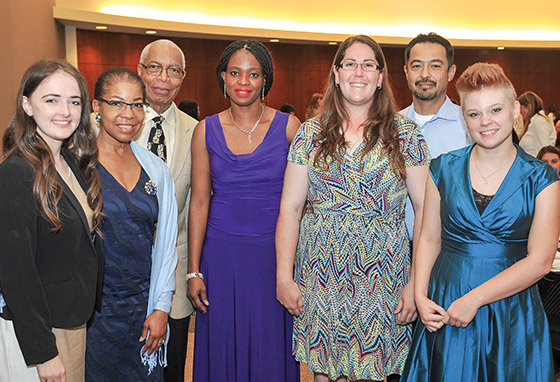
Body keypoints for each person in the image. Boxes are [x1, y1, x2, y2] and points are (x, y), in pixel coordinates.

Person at [276, 35, 431, 381]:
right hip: (321, 273)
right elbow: (290, 208)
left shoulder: (407, 135)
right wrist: (284, 276)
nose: (358, 72)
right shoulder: (309, 134)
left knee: (370, 372)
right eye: (350, 64)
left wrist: (416, 283)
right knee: (324, 374)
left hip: (383, 277)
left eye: (368, 65)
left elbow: (424, 210)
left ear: (380, 77)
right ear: (336, 73)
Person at [402, 63, 559, 381]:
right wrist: (420, 295)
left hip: (512, 309)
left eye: (496, 110)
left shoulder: (543, 177)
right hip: (446, 301)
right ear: (464, 118)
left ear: (515, 110)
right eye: (474, 114)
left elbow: (541, 261)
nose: (485, 122)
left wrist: (473, 300)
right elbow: (430, 238)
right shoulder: (442, 168)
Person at [188, 39, 301, 381]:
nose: (243, 81)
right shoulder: (204, 130)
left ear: (264, 80)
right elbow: (199, 200)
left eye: (253, 74)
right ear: (222, 78)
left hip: (273, 254)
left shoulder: (290, 127)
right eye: (235, 73)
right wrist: (194, 271)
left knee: (270, 344)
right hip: (222, 256)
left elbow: (302, 203)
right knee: (223, 342)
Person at [0, 59, 103, 382]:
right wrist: (43, 351)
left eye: (74, 101)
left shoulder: (72, 161)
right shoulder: (17, 172)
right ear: (27, 105)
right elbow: (16, 269)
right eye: (51, 100)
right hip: (40, 333)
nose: (66, 111)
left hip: (71, 320)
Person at [85, 68, 178, 381]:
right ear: (97, 107)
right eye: (117, 103)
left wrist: (162, 308)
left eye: (137, 104)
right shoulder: (77, 165)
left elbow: (165, 245)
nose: (129, 114)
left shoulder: (156, 170)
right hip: (91, 314)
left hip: (142, 309)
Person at [135, 39, 198, 382]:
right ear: (140, 71)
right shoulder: (112, 126)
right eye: (155, 67)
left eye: (173, 70)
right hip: (121, 275)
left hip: (174, 276)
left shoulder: (197, 132)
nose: (163, 77)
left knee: (172, 370)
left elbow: (200, 204)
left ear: (183, 77)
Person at [400, 32, 471, 241]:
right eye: (416, 66)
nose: (425, 74)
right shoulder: (389, 127)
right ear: (406, 71)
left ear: (451, 72)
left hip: (450, 249)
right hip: (396, 254)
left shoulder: (469, 126)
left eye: (435, 66)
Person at [518, 91, 556, 157]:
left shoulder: (538, 121)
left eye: (521, 108)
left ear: (529, 107)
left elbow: (542, 151)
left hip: (535, 166)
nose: (520, 111)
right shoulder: (535, 121)